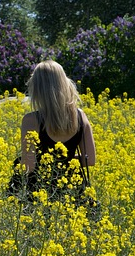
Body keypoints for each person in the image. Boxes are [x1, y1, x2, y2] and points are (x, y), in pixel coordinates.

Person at [17, 60, 96, 202]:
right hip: (73, 190)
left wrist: (48, 162)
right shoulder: (80, 116)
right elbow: (90, 159)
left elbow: (29, 166)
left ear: (38, 89)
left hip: (40, 192)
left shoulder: (31, 120)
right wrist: (66, 161)